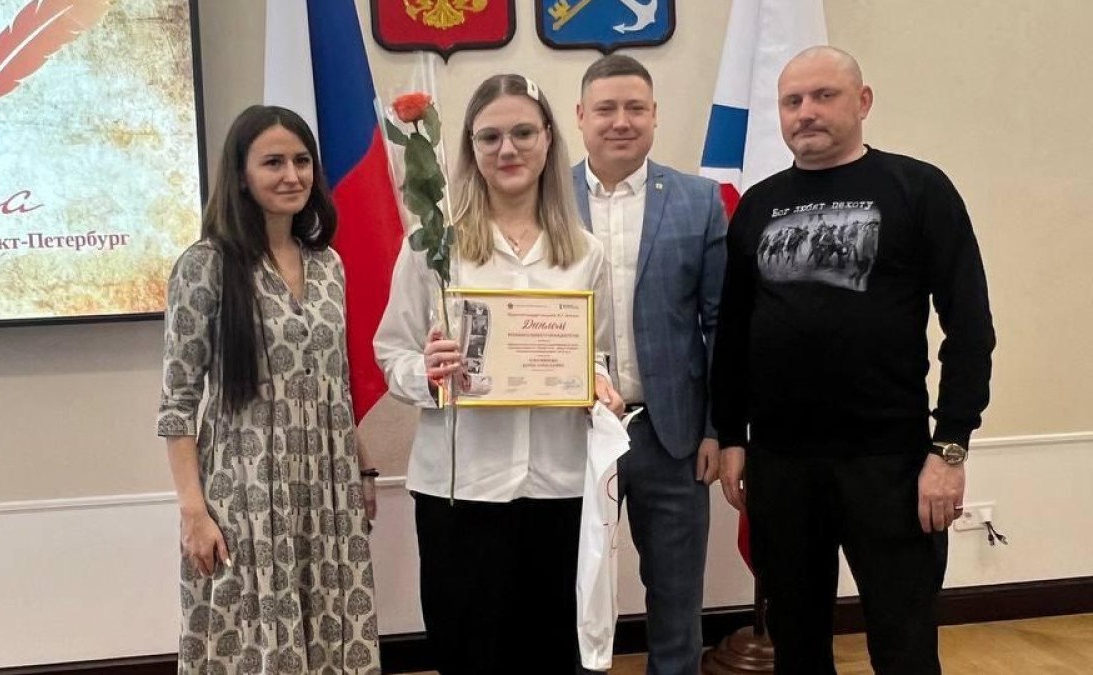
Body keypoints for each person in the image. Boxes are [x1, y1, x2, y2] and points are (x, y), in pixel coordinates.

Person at [711, 47, 996, 675]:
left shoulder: (919, 188)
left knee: (903, 642)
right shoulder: (758, 205)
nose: (806, 112)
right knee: (797, 641)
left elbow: (971, 328)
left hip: (889, 461)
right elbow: (732, 332)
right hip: (780, 462)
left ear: (863, 102)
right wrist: (731, 434)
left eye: (824, 96)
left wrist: (950, 449)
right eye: (792, 101)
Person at [374, 74, 621, 675]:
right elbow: (392, 352)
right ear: (470, 147)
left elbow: (597, 353)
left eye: (522, 133)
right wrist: (428, 373)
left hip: (558, 487)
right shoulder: (433, 247)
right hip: (462, 490)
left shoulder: (585, 251)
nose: (507, 149)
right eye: (490, 137)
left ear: (548, 140)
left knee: (551, 654)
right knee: (468, 653)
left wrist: (596, 384)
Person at [157, 105, 380, 675]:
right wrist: (193, 513)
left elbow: (334, 381)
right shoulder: (205, 265)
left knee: (332, 630)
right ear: (241, 175)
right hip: (248, 492)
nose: (292, 175)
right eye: (273, 162)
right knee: (253, 644)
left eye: (302, 161)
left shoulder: (328, 265)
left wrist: (363, 469)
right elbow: (177, 404)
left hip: (328, 488)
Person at [571, 54, 727, 675]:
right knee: (575, 594)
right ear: (580, 117)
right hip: (573, 435)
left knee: (676, 600)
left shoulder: (698, 200)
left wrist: (716, 429)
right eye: (605, 109)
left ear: (655, 115)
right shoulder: (543, 199)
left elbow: (719, 324)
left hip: (674, 438)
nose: (621, 121)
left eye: (635, 108)